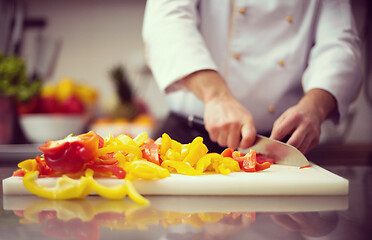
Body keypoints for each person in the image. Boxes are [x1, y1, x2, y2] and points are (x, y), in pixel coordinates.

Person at [142, 0, 362, 154]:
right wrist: (216, 96)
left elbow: (340, 44)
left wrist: (315, 107)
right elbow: (166, 22)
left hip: (281, 147)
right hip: (188, 139)